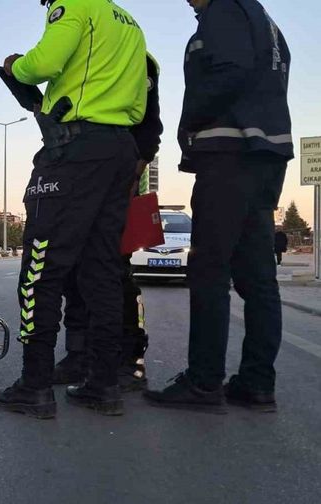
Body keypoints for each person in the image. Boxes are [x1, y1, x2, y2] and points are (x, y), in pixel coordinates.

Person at [0, 0, 147, 419]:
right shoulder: (129, 22)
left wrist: (16, 66)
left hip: (74, 151)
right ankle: (103, 384)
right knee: (102, 272)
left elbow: (44, 63)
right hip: (119, 150)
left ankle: (35, 384)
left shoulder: (73, 3)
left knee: (40, 269)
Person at [144, 0, 291, 414]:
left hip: (230, 153)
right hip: (264, 154)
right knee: (258, 276)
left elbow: (231, 72)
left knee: (208, 270)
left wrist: (188, 120)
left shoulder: (225, 9)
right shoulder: (263, 19)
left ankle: (204, 382)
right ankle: (257, 383)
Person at [55, 52, 163, 393]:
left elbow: (149, 127)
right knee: (73, 272)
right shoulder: (74, 51)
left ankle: (129, 361)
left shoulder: (136, 56)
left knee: (113, 274)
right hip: (77, 180)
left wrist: (133, 175)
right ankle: (79, 355)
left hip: (119, 183)